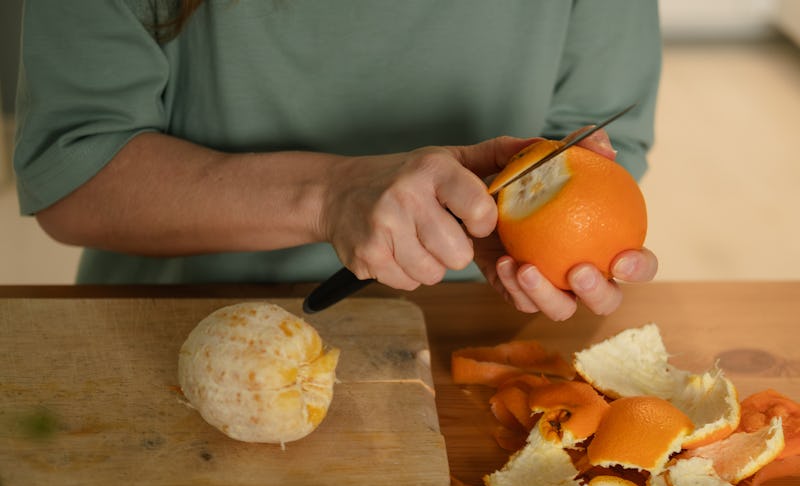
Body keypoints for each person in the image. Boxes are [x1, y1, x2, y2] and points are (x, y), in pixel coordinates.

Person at [14, 0, 661, 321]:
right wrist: (332, 196)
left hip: (467, 334)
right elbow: (76, 168)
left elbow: (608, 154)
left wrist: (539, 247)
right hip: (174, 322)